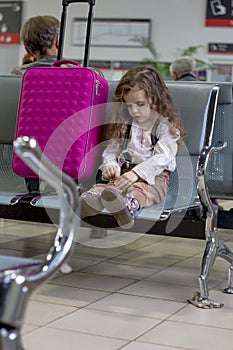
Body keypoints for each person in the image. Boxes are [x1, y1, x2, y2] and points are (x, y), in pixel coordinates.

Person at [80, 65, 185, 229]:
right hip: (124, 173)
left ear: (156, 99)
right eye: (129, 105)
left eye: (140, 104)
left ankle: (128, 206)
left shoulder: (165, 127)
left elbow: (163, 158)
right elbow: (111, 151)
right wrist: (111, 166)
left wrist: (136, 174)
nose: (134, 111)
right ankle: (92, 200)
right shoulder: (125, 124)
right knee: (108, 187)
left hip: (154, 179)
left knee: (141, 190)